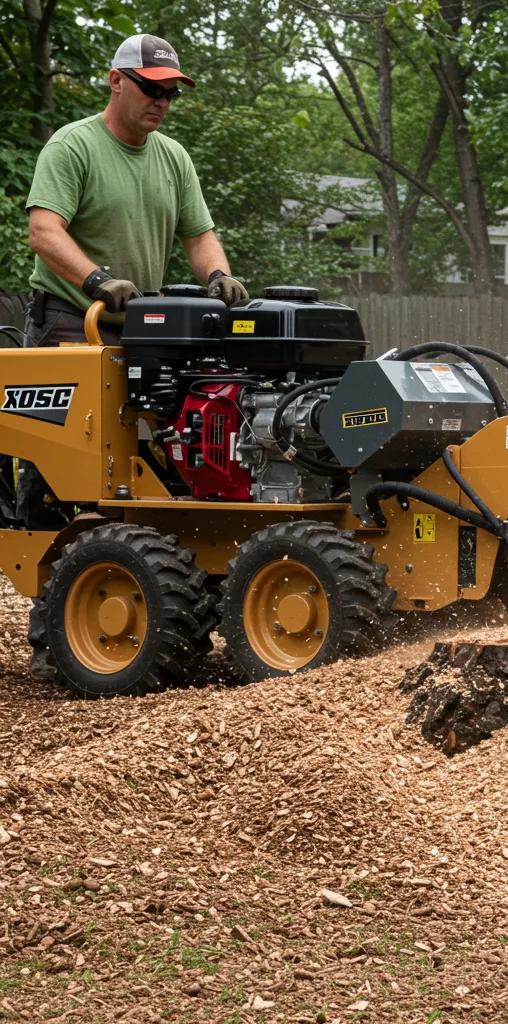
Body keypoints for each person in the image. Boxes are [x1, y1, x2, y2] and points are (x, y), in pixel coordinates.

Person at [21, 33, 248, 679]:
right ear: (116, 81)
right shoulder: (74, 145)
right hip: (76, 323)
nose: (162, 101)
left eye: (171, 91)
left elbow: (199, 234)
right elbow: (44, 230)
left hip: (146, 334)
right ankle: (54, 637)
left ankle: (169, 614)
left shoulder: (171, 157)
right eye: (152, 87)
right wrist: (96, 281)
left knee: (171, 470)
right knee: (65, 480)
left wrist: (218, 280)